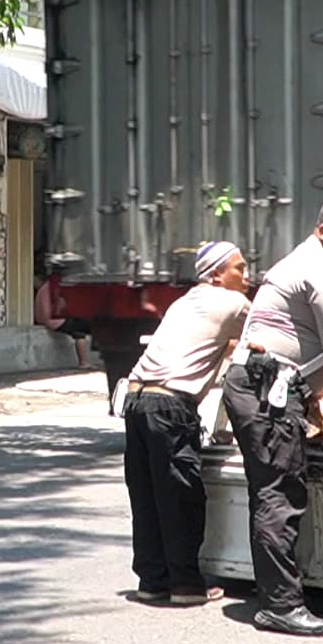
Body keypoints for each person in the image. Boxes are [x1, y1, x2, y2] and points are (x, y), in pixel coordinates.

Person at [221, 198, 323, 636]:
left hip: (266, 385)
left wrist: (316, 395)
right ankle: (280, 605)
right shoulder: (322, 269)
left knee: (275, 490)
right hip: (266, 388)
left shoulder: (309, 262)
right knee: (278, 493)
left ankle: (283, 589)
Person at [122, 240, 250, 606]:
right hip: (170, 405)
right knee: (181, 495)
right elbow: (264, 341)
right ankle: (186, 585)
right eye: (238, 268)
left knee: (146, 494)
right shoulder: (235, 303)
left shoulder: (186, 301)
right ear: (216, 275)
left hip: (136, 398)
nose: (246, 275)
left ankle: (152, 580)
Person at [35, 275, 93, 368]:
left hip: (41, 319)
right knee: (80, 330)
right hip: (54, 320)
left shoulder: (45, 286)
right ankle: (84, 362)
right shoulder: (57, 288)